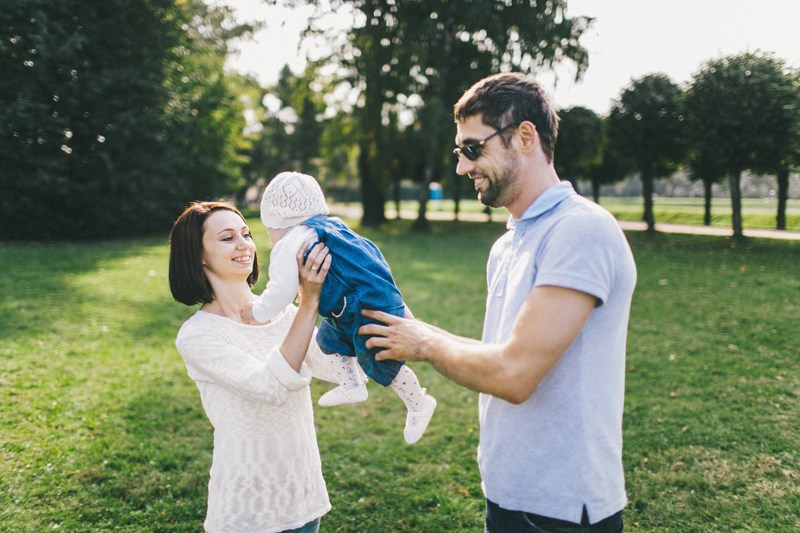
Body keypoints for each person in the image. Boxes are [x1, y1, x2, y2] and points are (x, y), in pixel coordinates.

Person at [359, 72, 637, 532]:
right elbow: (500, 352)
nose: (462, 167)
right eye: (459, 152)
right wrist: (413, 327)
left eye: (473, 148)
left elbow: (514, 374)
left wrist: (425, 343)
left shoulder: (580, 230)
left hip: (563, 508)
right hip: (508, 493)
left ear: (524, 137)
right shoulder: (508, 244)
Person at [169, 201, 339, 533]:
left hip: (303, 495)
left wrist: (351, 306)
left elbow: (337, 368)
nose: (244, 244)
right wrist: (309, 302)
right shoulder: (198, 335)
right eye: (227, 237)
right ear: (198, 255)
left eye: (245, 234)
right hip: (248, 510)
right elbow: (271, 387)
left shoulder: (285, 315)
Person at [239, 171, 437, 445]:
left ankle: (419, 403)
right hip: (354, 302)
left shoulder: (290, 242)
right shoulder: (335, 227)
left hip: (364, 308)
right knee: (328, 341)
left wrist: (257, 312)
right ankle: (351, 385)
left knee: (381, 359)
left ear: (276, 220)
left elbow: (279, 290)